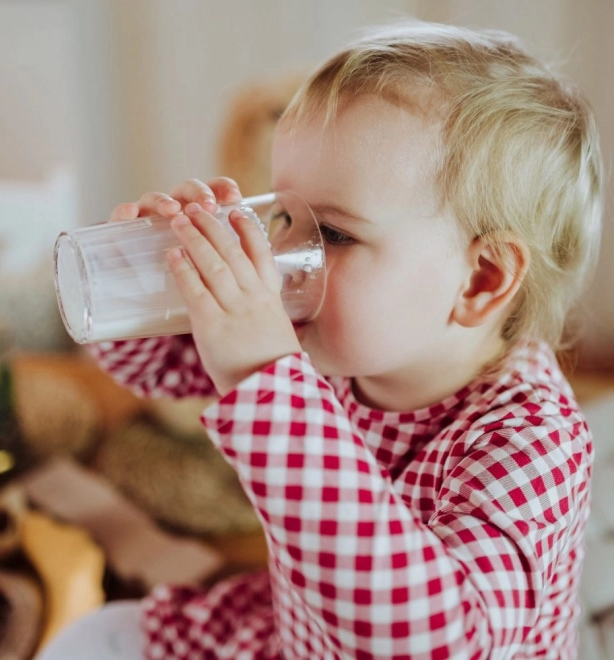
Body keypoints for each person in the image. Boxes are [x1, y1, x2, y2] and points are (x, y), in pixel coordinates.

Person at [52, 20, 603, 660]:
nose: (285, 251)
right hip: (300, 635)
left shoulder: (534, 440)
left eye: (334, 234)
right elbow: (155, 369)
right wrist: (151, 278)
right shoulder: (340, 339)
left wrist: (268, 386)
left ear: (480, 280)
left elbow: (435, 643)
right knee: (97, 637)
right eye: (286, 215)